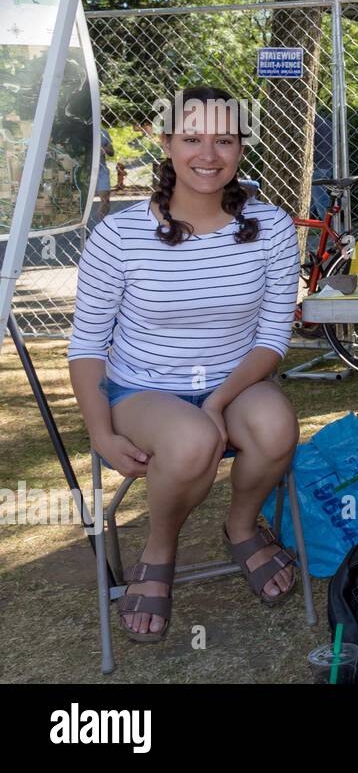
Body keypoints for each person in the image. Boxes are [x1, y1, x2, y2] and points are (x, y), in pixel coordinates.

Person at [67, 86, 302, 642]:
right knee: (194, 439)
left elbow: (272, 337)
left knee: (276, 425)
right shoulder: (119, 233)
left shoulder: (271, 227)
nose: (209, 153)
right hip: (143, 390)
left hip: (235, 382)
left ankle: (242, 527)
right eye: (192, 138)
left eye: (224, 139)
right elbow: (87, 345)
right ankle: (160, 547)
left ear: (242, 146)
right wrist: (100, 431)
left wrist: (220, 399)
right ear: (165, 142)